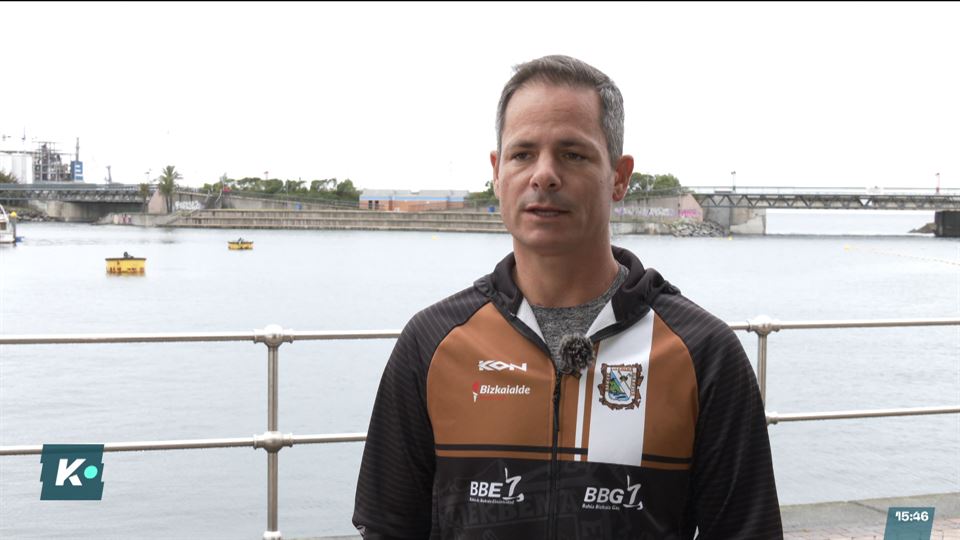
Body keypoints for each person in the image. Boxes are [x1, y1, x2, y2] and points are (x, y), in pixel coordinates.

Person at [353, 54, 782, 539]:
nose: (544, 175)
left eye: (573, 154)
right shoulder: (432, 344)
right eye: (522, 154)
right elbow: (388, 528)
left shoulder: (703, 353)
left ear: (619, 176)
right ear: (497, 172)